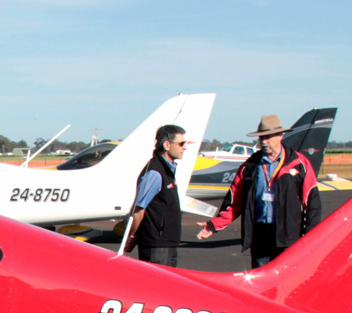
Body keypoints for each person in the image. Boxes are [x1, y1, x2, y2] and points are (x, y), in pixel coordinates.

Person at [196, 113, 321, 267]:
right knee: (261, 284)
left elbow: (312, 202)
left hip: (288, 235)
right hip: (260, 235)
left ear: (280, 136)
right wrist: (214, 225)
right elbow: (234, 202)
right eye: (262, 138)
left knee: (287, 284)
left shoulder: (298, 163)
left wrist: (311, 236)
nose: (264, 142)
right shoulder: (250, 166)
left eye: (268, 137)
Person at [123, 124, 187, 266]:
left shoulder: (167, 171)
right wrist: (132, 236)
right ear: (167, 145)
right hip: (156, 246)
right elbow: (139, 209)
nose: (185, 147)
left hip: (167, 244)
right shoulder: (155, 173)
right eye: (181, 144)